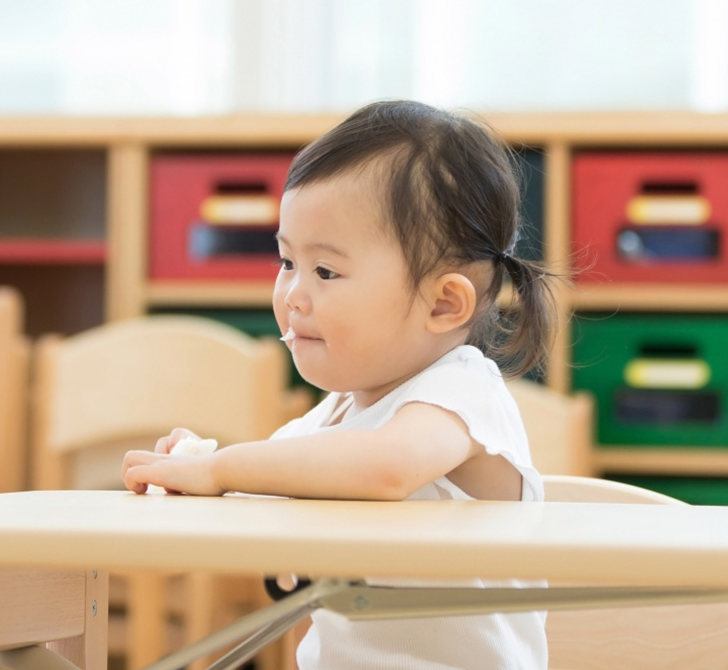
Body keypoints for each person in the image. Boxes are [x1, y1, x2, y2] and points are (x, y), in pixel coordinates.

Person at [123, 100, 557, 670]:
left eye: (325, 272)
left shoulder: (463, 391)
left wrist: (221, 469)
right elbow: (286, 563)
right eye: (285, 263)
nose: (293, 295)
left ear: (444, 303)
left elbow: (387, 468)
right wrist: (193, 473)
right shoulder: (329, 421)